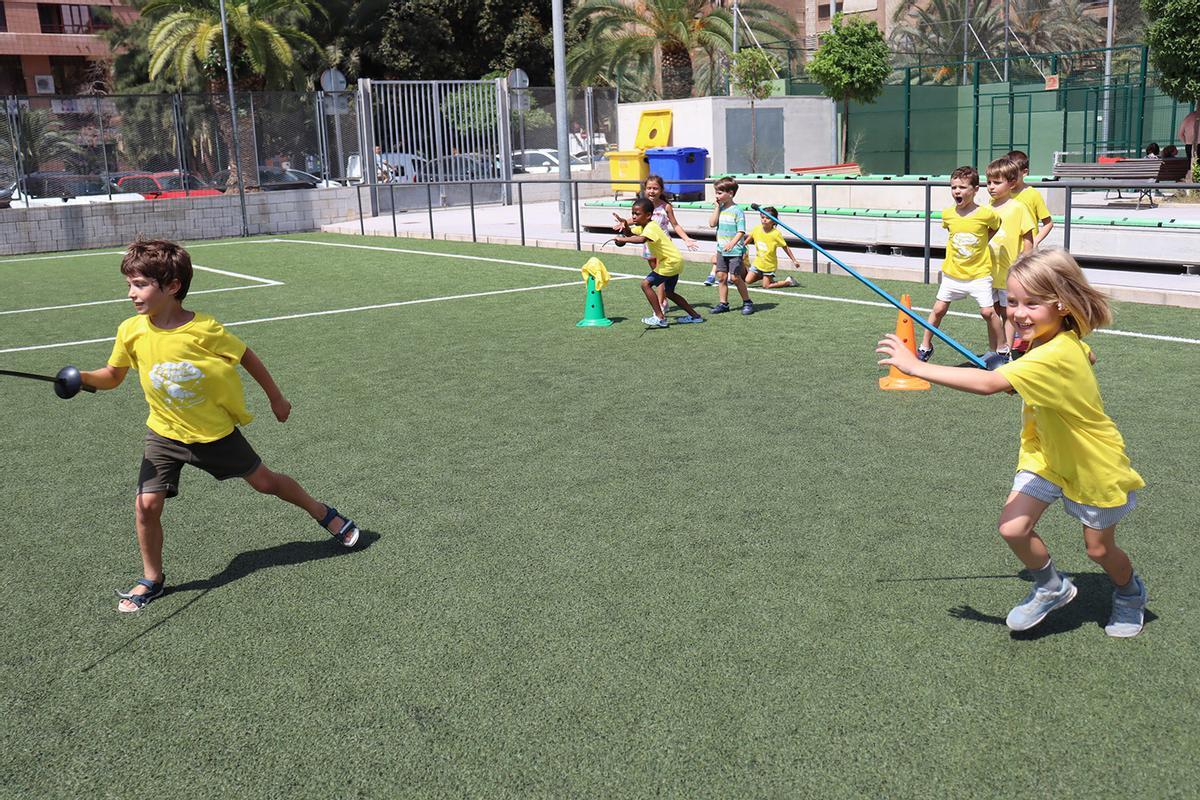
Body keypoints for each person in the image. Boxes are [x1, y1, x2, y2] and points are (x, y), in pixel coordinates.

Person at [877, 247, 1148, 637]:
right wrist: (1027, 378)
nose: (1018, 313)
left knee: (1099, 550)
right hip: (1045, 455)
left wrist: (916, 367)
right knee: (1013, 528)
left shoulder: (1054, 353)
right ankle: (1051, 587)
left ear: (1062, 303)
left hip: (1091, 463)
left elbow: (989, 384)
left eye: (1032, 304)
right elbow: (1084, 356)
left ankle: (1130, 593)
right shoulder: (1055, 338)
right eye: (1013, 301)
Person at [79, 240, 362, 612]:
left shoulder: (204, 329)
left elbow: (246, 357)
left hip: (213, 435)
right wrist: (81, 378)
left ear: (173, 286)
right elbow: (112, 376)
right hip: (164, 433)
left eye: (141, 284)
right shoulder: (131, 330)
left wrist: (276, 398)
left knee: (266, 483)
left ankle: (322, 512)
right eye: (130, 284)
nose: (131, 293)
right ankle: (152, 578)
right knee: (146, 505)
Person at [916, 166, 1003, 363]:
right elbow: (953, 233)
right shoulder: (948, 214)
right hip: (953, 274)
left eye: (962, 187)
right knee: (938, 310)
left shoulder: (986, 214)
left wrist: (983, 242)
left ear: (975, 189)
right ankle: (925, 346)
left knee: (988, 312)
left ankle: (1003, 349)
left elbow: (996, 226)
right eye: (954, 187)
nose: (957, 191)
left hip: (979, 274)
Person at [614, 175, 700, 316]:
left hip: (663, 248)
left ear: (661, 190)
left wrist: (686, 239)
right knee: (659, 277)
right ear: (645, 189)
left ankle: (660, 306)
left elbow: (675, 225)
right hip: (650, 245)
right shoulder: (643, 207)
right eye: (649, 188)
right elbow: (634, 221)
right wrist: (624, 225)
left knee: (655, 278)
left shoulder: (665, 207)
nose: (652, 191)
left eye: (655, 188)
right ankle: (685, 312)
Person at [1004, 151, 1055, 356]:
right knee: (1009, 302)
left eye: (1013, 174)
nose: (1010, 179)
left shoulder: (1032, 194)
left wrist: (1035, 241)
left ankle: (1033, 342)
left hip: (1026, 256)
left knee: (1031, 298)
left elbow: (1048, 223)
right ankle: (1007, 347)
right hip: (1007, 257)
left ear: (1024, 172)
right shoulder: (1003, 194)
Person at [985, 157, 1035, 359]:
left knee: (1008, 313)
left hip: (1009, 273)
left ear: (1012, 183)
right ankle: (993, 350)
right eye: (989, 182)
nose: (991, 187)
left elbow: (1028, 238)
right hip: (988, 271)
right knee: (991, 313)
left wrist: (1024, 264)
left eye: (997, 182)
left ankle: (1004, 352)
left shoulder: (1018, 208)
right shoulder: (986, 208)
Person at [707, 176, 755, 315]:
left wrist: (732, 243)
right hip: (721, 250)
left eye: (720, 193)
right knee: (721, 277)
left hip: (735, 251)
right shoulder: (720, 209)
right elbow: (712, 223)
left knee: (735, 277)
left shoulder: (737, 210)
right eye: (716, 193)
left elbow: (741, 231)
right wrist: (717, 208)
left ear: (730, 193)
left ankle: (747, 302)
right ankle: (723, 304)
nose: (717, 196)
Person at [744, 207, 801, 289]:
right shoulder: (757, 229)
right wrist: (741, 247)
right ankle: (764, 277)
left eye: (768, 218)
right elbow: (748, 239)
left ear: (774, 221)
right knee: (748, 280)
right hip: (758, 263)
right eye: (762, 217)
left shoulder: (776, 234)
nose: (764, 220)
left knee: (766, 286)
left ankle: (788, 281)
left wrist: (794, 260)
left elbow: (785, 247)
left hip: (769, 265)